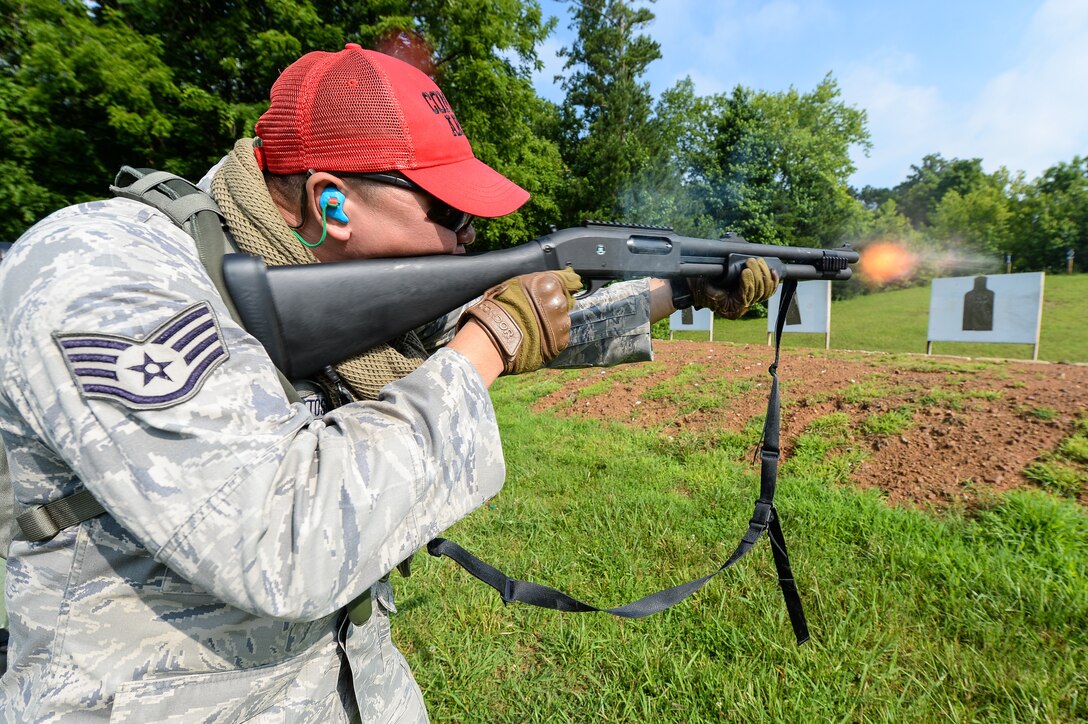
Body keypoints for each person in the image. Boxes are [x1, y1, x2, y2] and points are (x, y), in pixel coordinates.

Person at [0, 44, 776, 721]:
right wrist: (494, 339)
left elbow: (525, 325)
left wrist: (682, 289)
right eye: (449, 211)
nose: (469, 238)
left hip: (351, 688)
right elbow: (280, 538)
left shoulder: (322, 271)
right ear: (331, 201)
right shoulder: (102, 272)